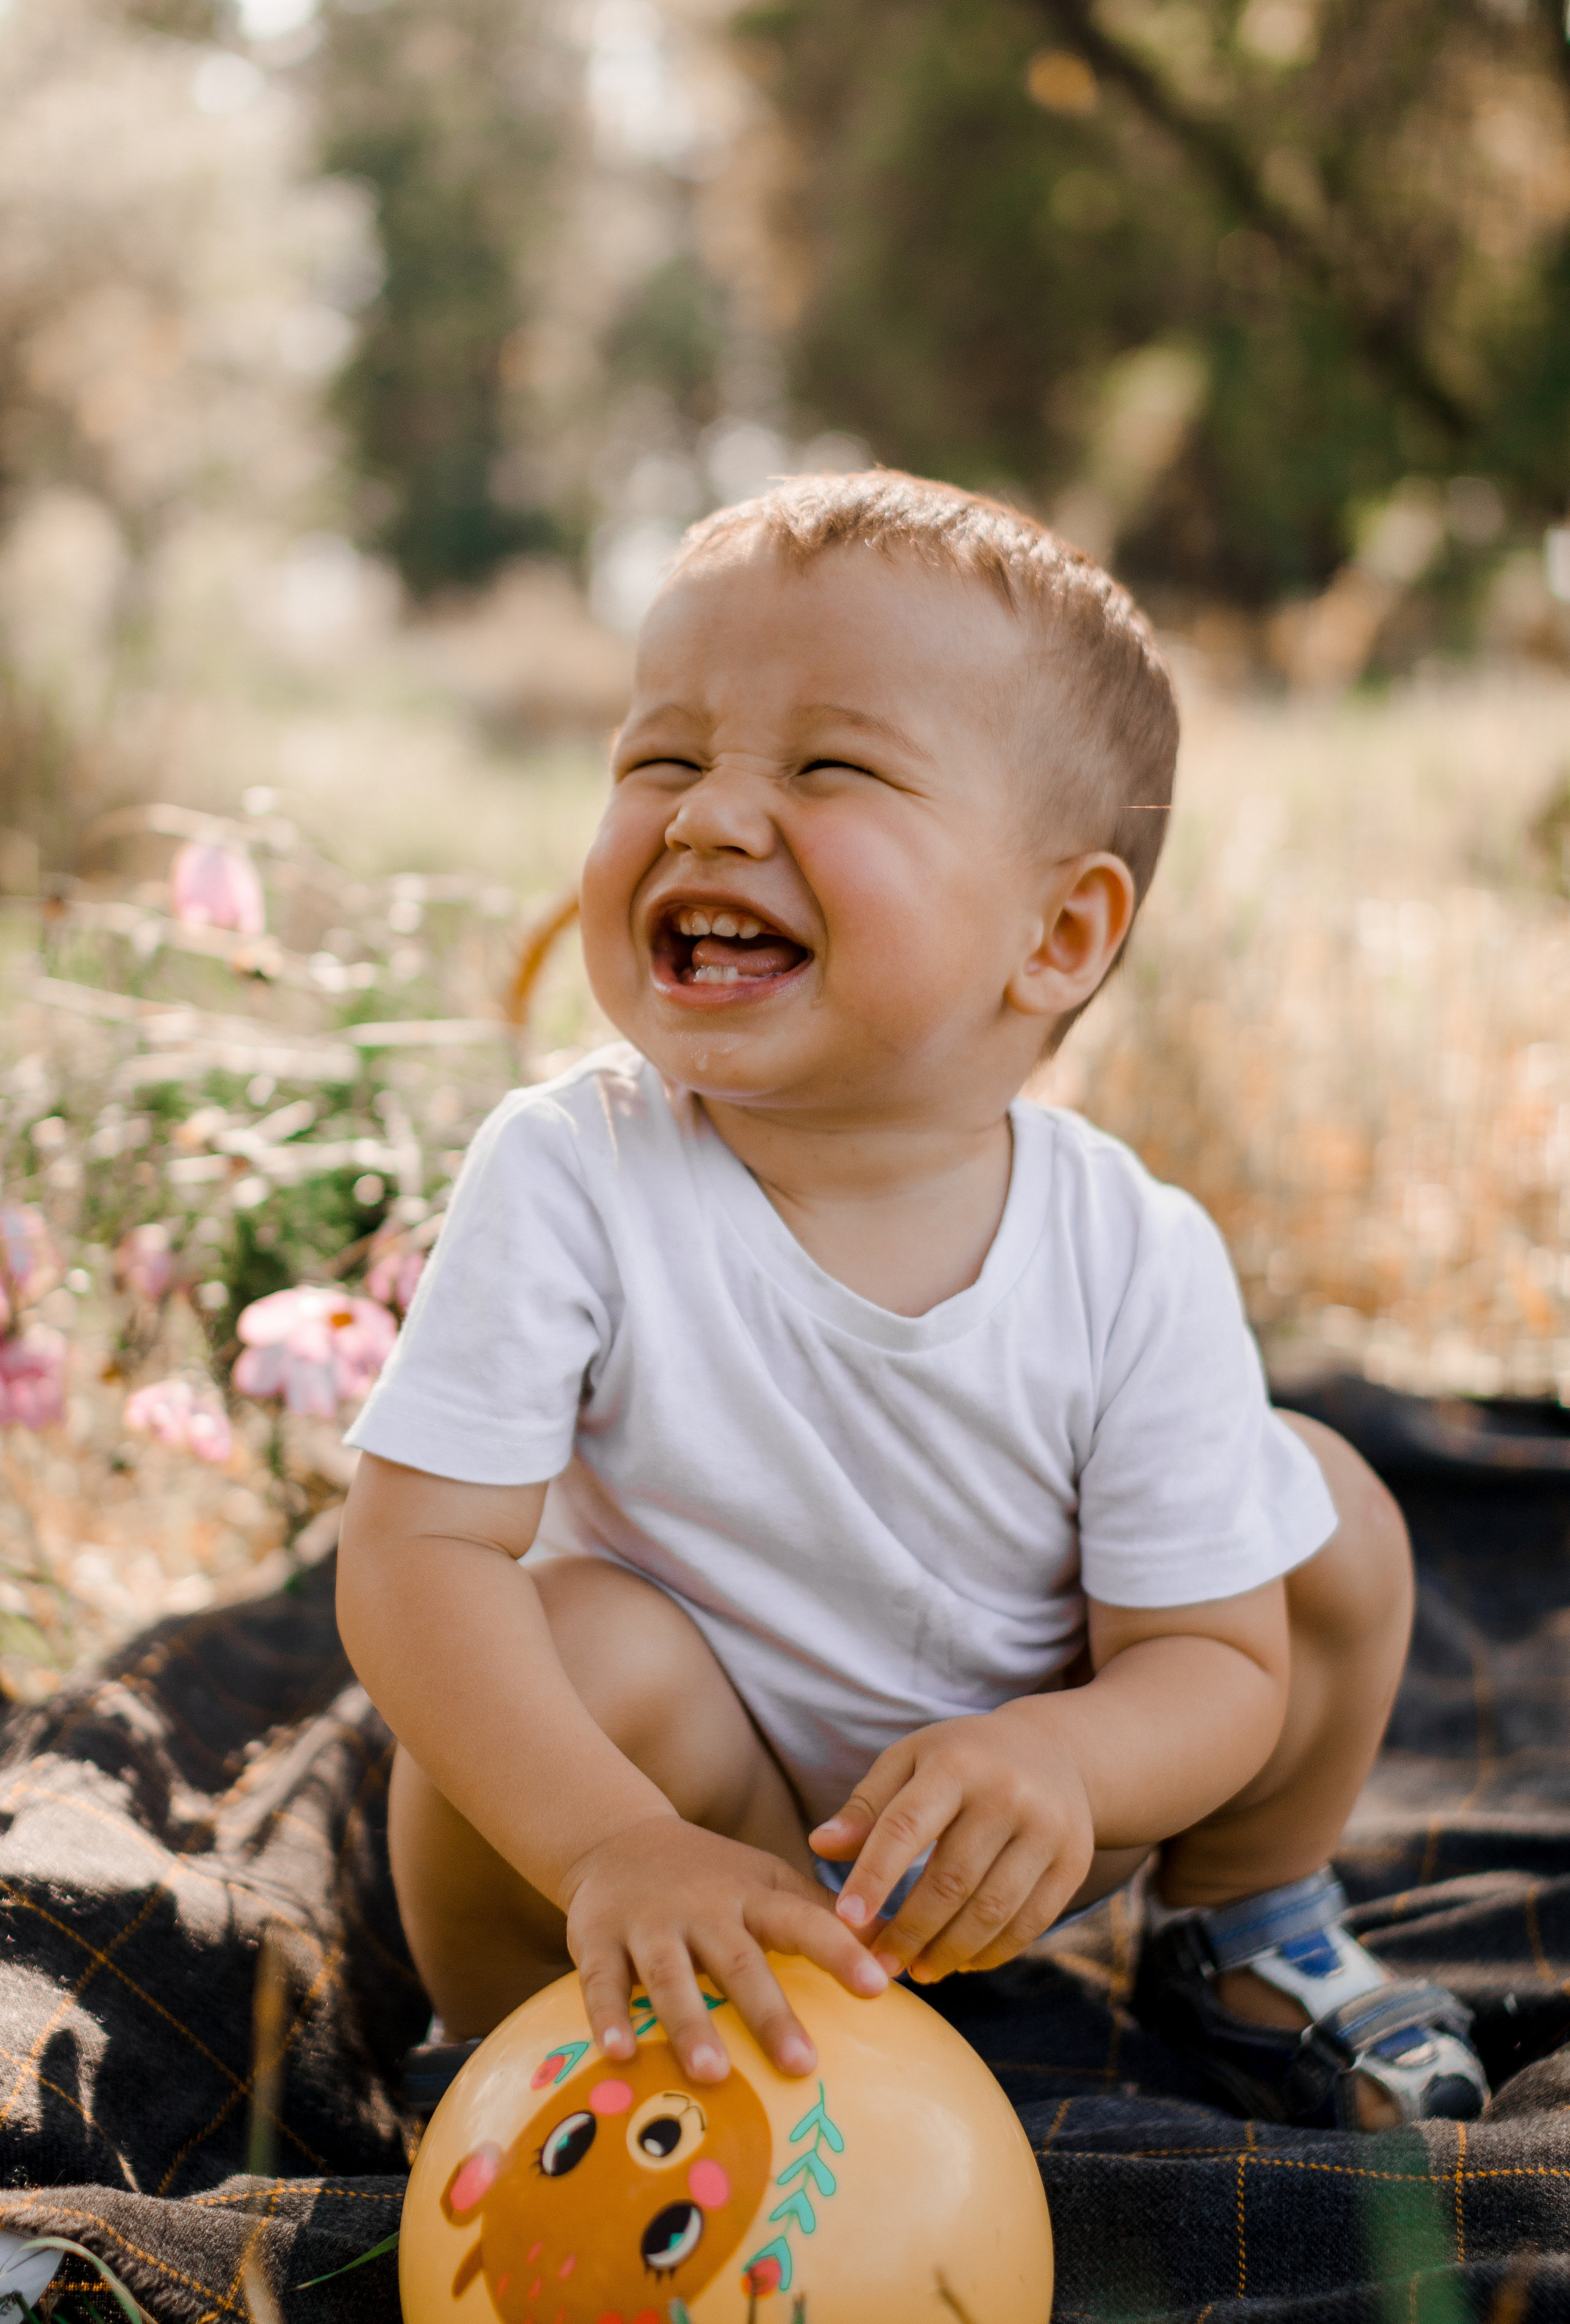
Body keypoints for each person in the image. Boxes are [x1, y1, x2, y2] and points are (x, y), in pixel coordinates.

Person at [337, 470, 1485, 2135]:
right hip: (697, 1811)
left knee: (1322, 1518)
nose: (709, 818)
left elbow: (1214, 1660)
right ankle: (550, 2055)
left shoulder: (1126, 1247)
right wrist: (612, 1841)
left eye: (829, 767)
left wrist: (1067, 1765)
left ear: (1059, 933)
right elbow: (413, 1555)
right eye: (659, 757)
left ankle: (1247, 1926)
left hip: (1020, 1839)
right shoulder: (573, 1170)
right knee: (564, 1644)